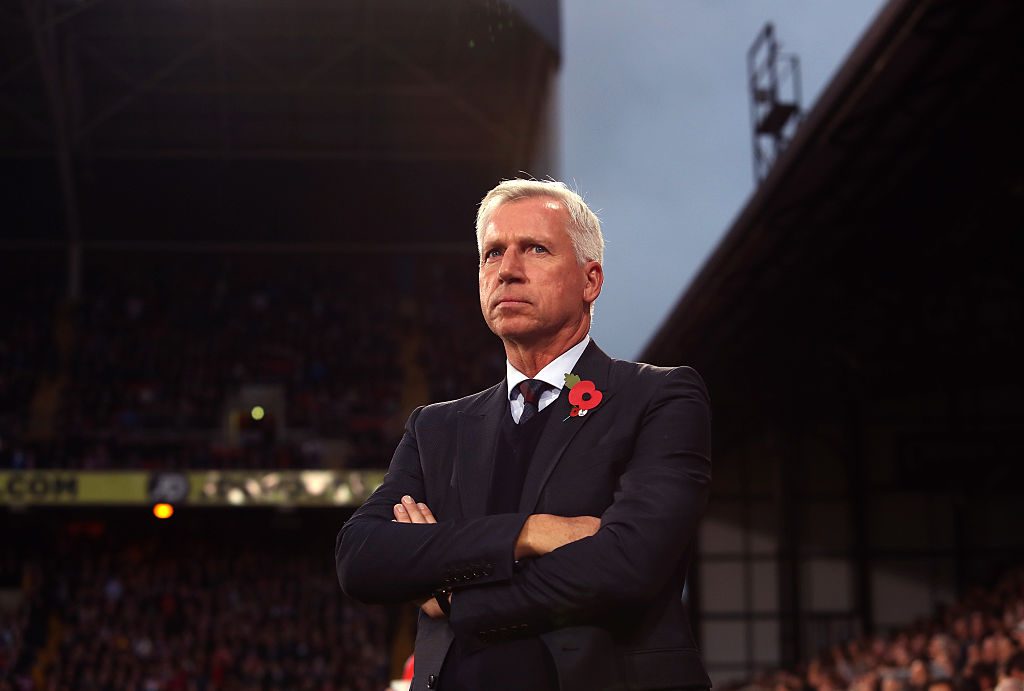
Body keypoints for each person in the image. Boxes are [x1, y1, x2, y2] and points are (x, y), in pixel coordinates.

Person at [336, 179, 712, 691]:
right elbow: (361, 557)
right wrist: (529, 533)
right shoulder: (436, 428)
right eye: (493, 253)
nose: (507, 269)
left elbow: (629, 564)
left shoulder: (660, 397)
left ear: (591, 279)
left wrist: (454, 596)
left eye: (535, 249)